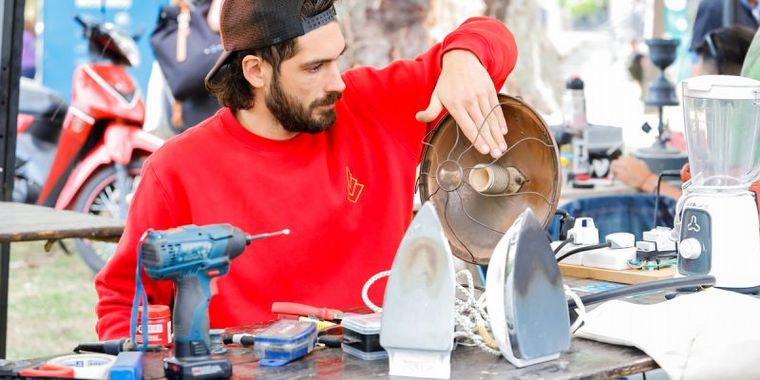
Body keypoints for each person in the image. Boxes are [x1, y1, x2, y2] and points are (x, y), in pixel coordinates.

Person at [95, 0, 517, 339]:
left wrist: (462, 58)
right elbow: (122, 302)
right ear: (255, 70)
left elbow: (493, 36)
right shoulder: (175, 169)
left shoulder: (374, 106)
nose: (337, 81)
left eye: (337, 59)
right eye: (315, 68)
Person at [611, 26, 755, 199]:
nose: (694, 67)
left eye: (696, 59)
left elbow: (711, 211)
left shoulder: (743, 147)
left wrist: (646, 180)